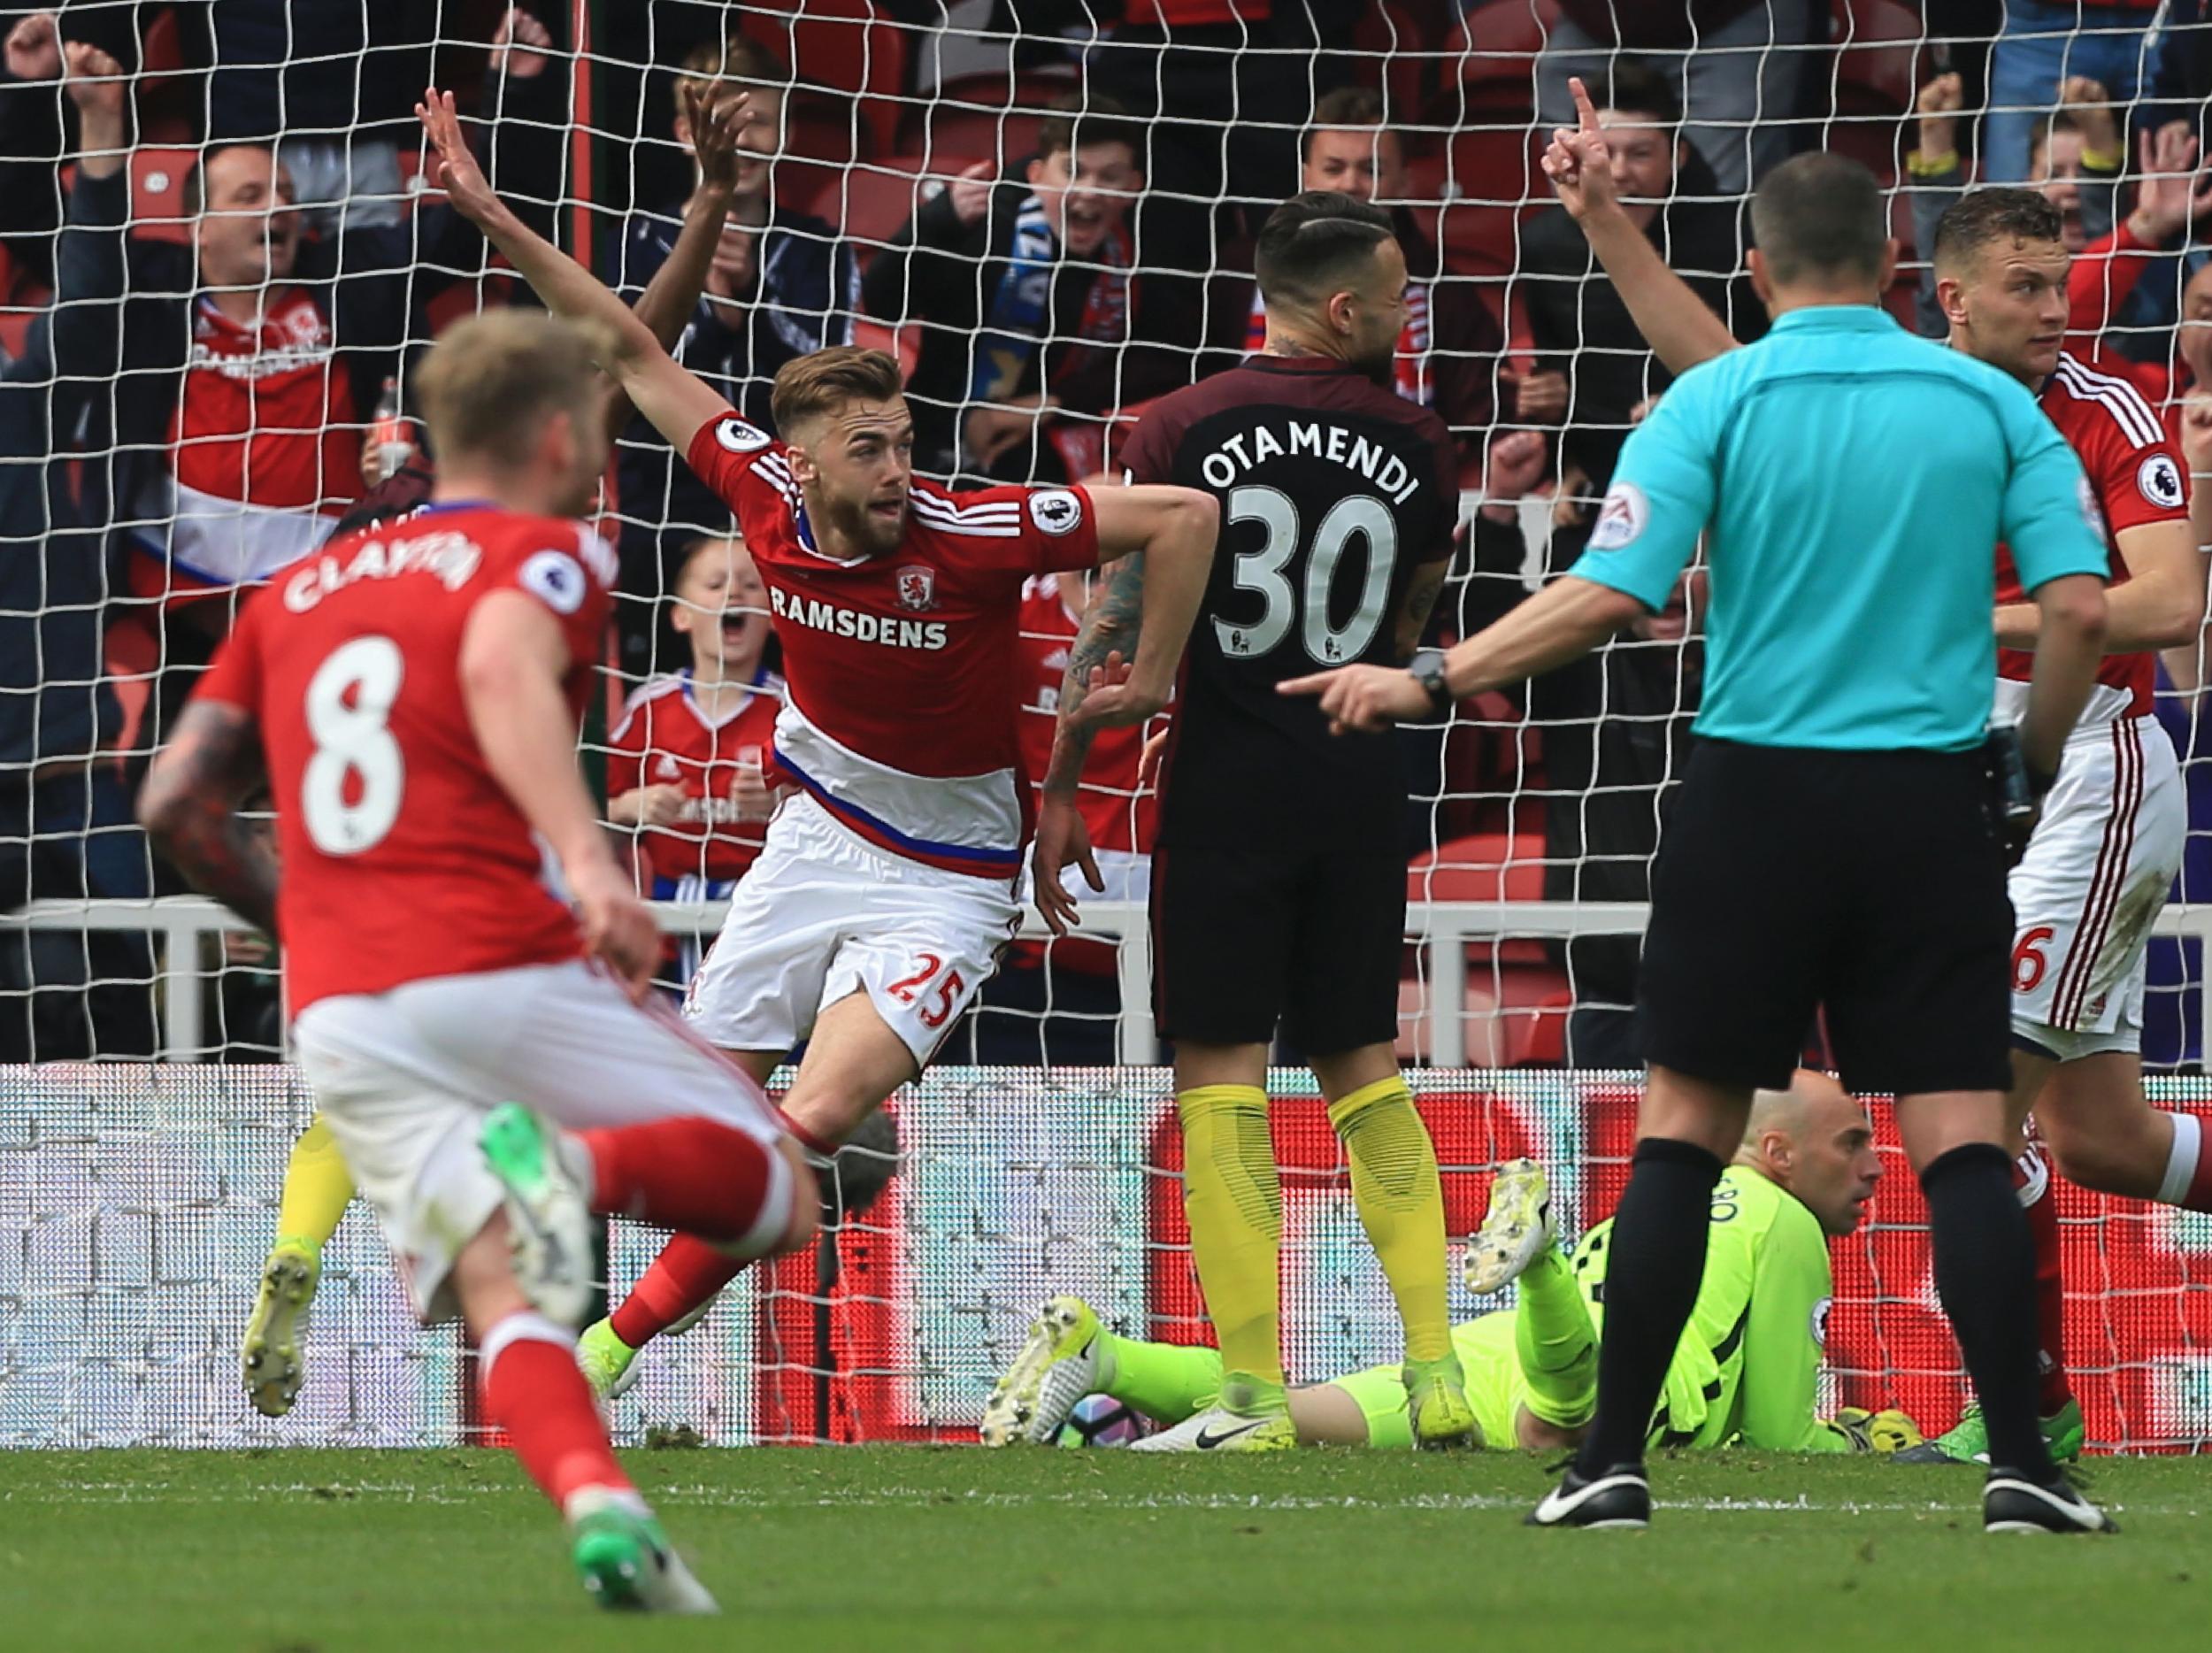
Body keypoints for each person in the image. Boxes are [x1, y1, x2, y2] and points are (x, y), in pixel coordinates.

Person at [1284, 125, 2116, 1531]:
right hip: (1926, 796)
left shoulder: (1718, 400)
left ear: (1758, 268)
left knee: (1684, 1127)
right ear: (1901, 269)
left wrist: (1429, 674)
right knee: (1962, 1134)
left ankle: (1609, 1462)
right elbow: (2087, 612)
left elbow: (1610, 591)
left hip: (1753, 800)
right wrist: (2023, 769)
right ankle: (2024, 1472)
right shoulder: (1987, 408)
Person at [411, 88, 1219, 1397]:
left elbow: (1182, 517)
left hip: (953, 879)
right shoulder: (756, 490)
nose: (900, 467)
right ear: (802, 459)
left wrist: (1137, 693)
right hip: (814, 836)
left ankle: (606, 1354)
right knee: (689, 1124)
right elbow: (617, 342)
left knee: (821, 1117)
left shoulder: (969, 531)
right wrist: (488, 208)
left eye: (904, 441)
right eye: (869, 449)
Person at [1541, 94, 2212, 1467]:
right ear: (1947, 296)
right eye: (2024, 286)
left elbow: (2166, 604)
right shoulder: (1912, 387)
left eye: (2063, 279)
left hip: (2081, 763)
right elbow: (1723, 363)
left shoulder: (2103, 408)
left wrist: (1962, 623)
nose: (2055, 309)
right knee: (2101, 1142)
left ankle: (2024, 1414)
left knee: (1979, 1094)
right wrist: (1606, 224)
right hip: (1949, 768)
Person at [136, 309, 820, 1612]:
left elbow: (175, 804)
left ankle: (607, 1516)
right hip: (498, 955)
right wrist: (583, 855)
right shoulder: (545, 557)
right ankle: (570, 1167)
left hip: (341, 1009)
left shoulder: (294, 593)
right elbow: (503, 668)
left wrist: (311, 930)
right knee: (782, 1191)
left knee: (499, 1287)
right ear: (561, 438)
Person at [233, 78, 769, 1418]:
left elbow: (627, 345)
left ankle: (304, 1246)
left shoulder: (359, 565)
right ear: (551, 442)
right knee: (643, 1154)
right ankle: (569, 1365)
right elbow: (636, 343)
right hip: (514, 859)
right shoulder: (559, 543)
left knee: (380, 1090)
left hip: (369, 847)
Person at [1033, 191, 1471, 1451]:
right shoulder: (1421, 438)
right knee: (1363, 1067)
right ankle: (1436, 1373)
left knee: (1221, 1074)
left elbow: (1110, 625)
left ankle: (1252, 1396)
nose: (1405, 315)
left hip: (1224, 781)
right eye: (1394, 296)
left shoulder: (1177, 424)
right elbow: (1405, 626)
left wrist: (1064, 788)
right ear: (1344, 309)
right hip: (1356, 777)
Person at [985, 1071, 1922, 1457]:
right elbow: (1771, 1430)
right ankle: (1539, 1263)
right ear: (1779, 1154)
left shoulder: (1671, 1193)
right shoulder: (1784, 1222)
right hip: (1626, 1369)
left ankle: (1102, 1358)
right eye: (1853, 1140)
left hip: (1494, 1347)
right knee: (1563, 1419)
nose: (1877, 1165)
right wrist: (1860, 1441)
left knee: (1295, 1411)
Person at [610, 31, 856, 680]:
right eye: (721, 123)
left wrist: (748, 307)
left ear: (788, 132)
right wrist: (712, 325)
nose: (741, 141)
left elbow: (831, 378)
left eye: (759, 123)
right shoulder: (633, 240)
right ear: (682, 132)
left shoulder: (818, 247)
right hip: (659, 494)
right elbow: (617, 373)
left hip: (781, 488)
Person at [860, 92, 1208, 483]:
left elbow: (1170, 360)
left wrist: (1051, 404)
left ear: (1133, 187)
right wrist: (933, 225)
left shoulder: (1139, 258)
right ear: (1037, 176)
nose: (1090, 192)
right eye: (1073, 171)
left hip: (1052, 452)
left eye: (1109, 177)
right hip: (935, 444)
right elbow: (882, 303)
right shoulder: (984, 232)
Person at [1230, 87, 1502, 477]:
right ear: (1306, 175)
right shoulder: (1236, 273)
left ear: (1406, 182)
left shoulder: (1443, 289)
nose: (1350, 185)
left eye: (1371, 170)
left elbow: (1482, 411)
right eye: (1334, 168)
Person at [606, 534, 783, 982]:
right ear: (681, 616)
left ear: (775, 616)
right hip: (669, 911)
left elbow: (834, 812)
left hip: (767, 908)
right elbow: (595, 806)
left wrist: (780, 802)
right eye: (716, 583)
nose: (734, 594)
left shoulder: (791, 712)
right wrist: (632, 806)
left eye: (750, 584)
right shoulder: (649, 708)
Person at [1533, 0, 1820, 194]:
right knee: (1571, 178)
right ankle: (1584, 278)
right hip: (1595, 16)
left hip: (1733, 12)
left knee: (1718, 200)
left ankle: (1707, 280)